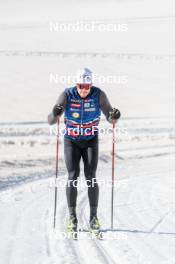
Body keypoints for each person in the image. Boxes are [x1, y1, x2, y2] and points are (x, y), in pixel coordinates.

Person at [48, 68, 121, 233]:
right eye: (81, 86)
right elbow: (51, 121)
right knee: (73, 175)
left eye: (87, 86)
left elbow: (110, 118)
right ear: (76, 84)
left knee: (91, 176)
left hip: (90, 140)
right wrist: (55, 113)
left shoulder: (99, 95)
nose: (84, 89)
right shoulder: (67, 95)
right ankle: (72, 217)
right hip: (71, 141)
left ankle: (94, 218)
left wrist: (115, 116)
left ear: (91, 84)